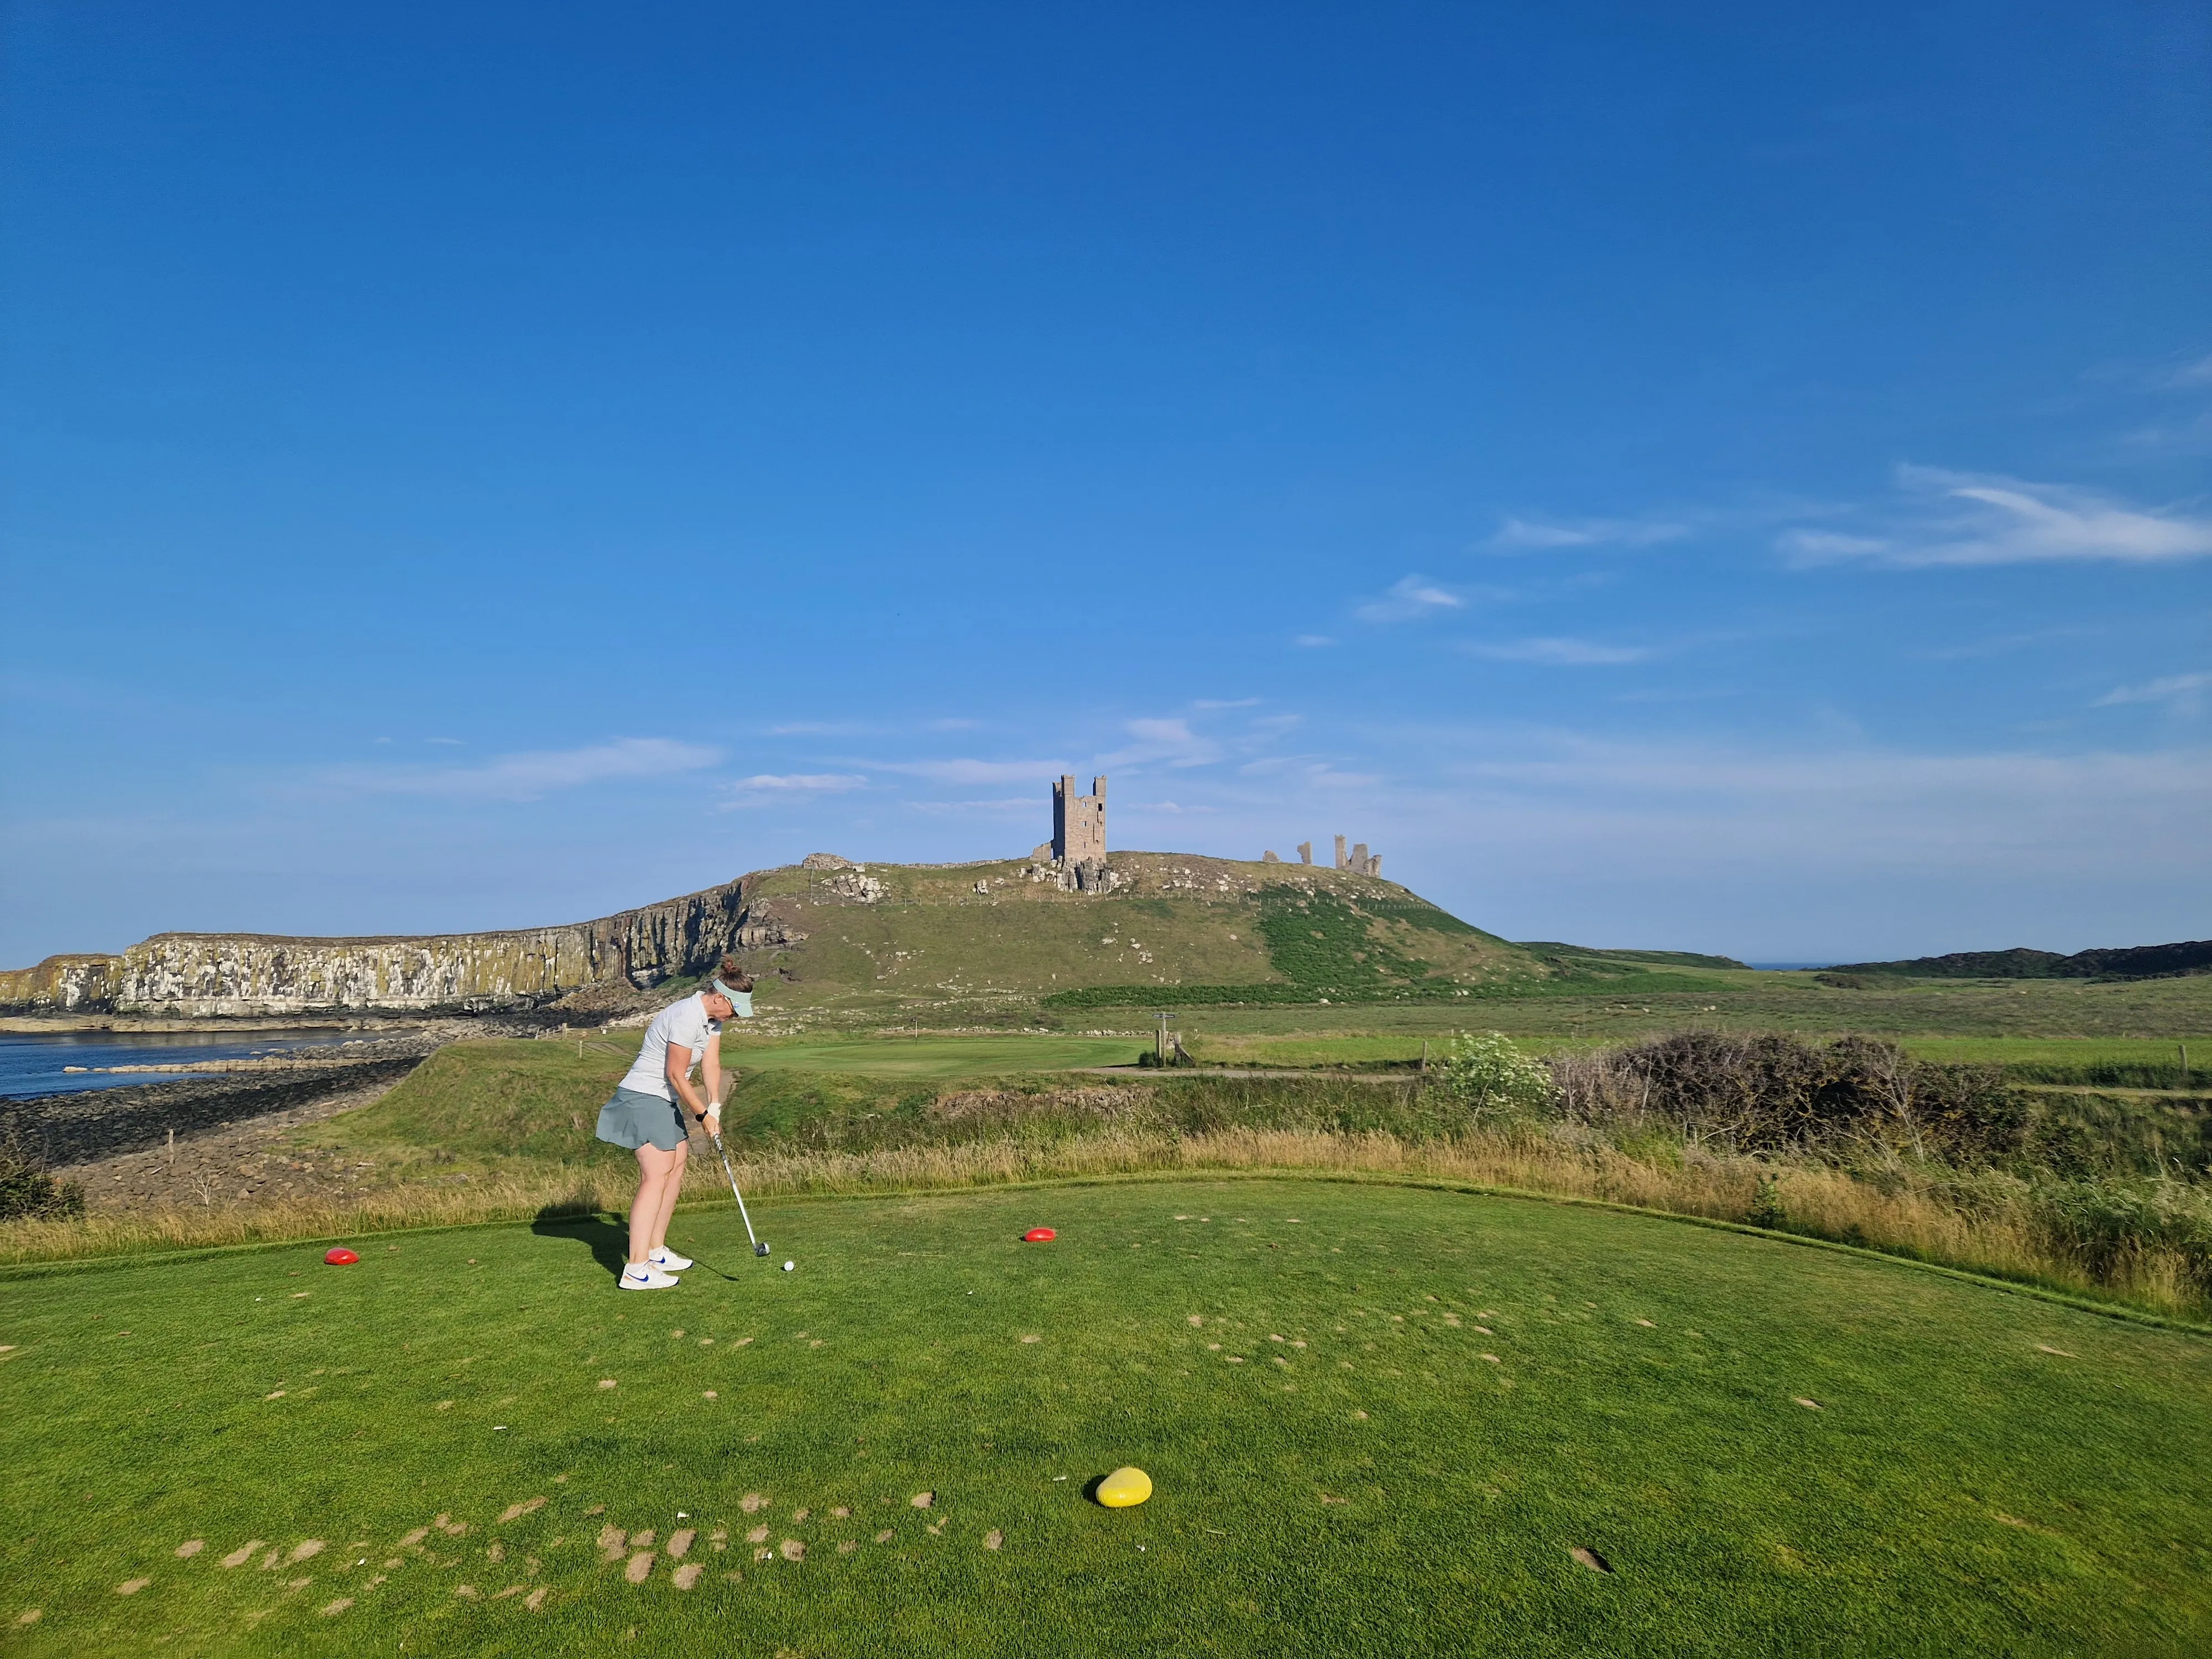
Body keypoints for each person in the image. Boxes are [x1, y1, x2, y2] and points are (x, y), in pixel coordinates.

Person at [594, 957, 755, 1288]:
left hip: (660, 1098)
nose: (736, 1018)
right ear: (721, 998)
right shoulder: (686, 1016)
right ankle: (636, 1269)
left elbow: (711, 1063)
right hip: (643, 1095)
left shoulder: (712, 1022)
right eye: (735, 1010)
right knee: (656, 1173)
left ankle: (655, 1251)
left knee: (678, 1162)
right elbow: (674, 1074)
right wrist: (701, 1115)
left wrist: (716, 1106)